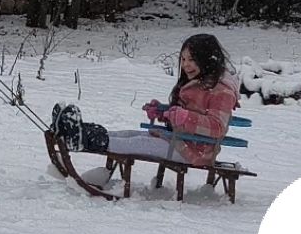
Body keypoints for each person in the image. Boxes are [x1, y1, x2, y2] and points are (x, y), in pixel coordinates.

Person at [51, 33, 239, 168]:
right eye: (183, 59)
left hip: (196, 152)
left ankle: (81, 139)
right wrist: (162, 112)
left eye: (192, 60)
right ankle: (78, 131)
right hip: (180, 141)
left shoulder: (222, 90)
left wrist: (183, 117)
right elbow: (185, 115)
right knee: (126, 135)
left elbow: (217, 127)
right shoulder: (198, 83)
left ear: (207, 60)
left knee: (135, 144)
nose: (186, 65)